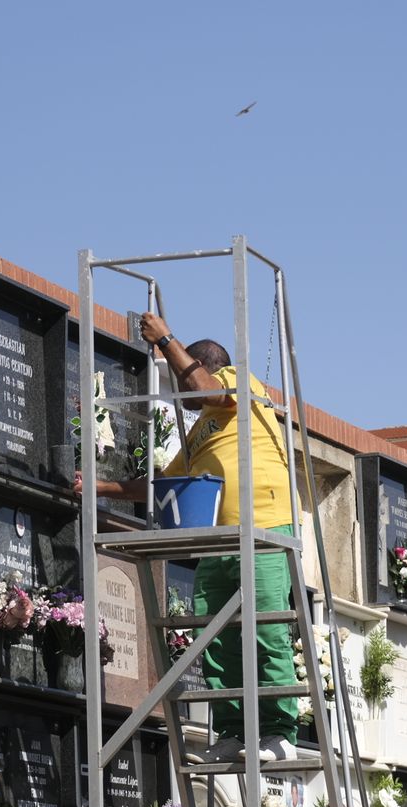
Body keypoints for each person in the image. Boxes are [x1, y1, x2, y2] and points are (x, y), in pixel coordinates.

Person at [76, 312, 299, 762]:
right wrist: (97, 488)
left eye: (181, 379)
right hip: (219, 540)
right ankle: (236, 732)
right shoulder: (199, 432)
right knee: (217, 638)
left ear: (202, 366)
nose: (183, 397)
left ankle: (278, 732)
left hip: (265, 529)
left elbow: (208, 390)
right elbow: (162, 485)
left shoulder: (240, 383)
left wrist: (165, 339)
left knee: (265, 629)